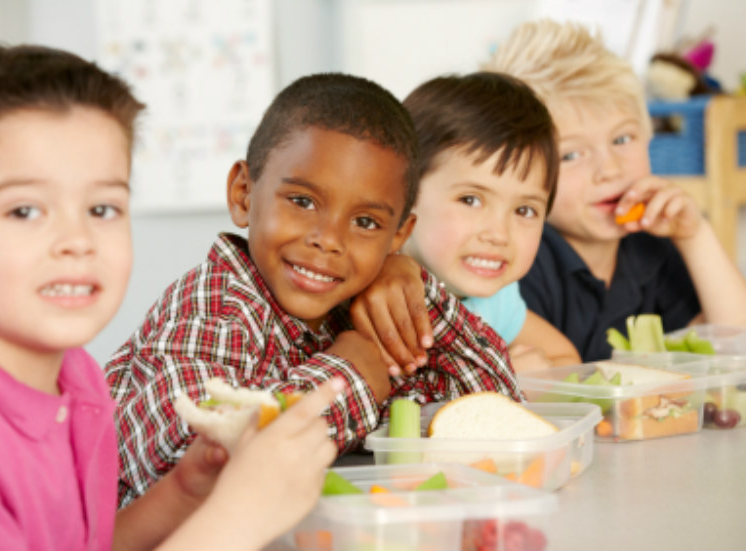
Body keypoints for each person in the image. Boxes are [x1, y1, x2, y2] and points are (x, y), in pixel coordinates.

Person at [0, 42, 343, 551]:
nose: (77, 240)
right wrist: (239, 517)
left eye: (102, 209)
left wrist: (184, 492)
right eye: (25, 211)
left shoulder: (78, 379)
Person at [105, 72, 523, 506]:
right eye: (303, 202)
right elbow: (192, 460)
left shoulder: (356, 307)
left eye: (366, 223)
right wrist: (349, 379)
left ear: (399, 234)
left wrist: (413, 284)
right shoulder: (214, 305)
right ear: (244, 194)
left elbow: (500, 416)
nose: (329, 240)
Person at [485, 19, 746, 361]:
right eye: (571, 154)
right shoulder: (522, 260)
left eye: (622, 139)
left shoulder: (650, 244)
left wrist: (695, 237)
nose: (610, 170)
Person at [349, 71, 581, 373]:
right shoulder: (372, 288)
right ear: (402, 196)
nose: (499, 234)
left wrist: (516, 377)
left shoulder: (496, 302)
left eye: (524, 210)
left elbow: (567, 360)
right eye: (470, 200)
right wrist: (499, 380)